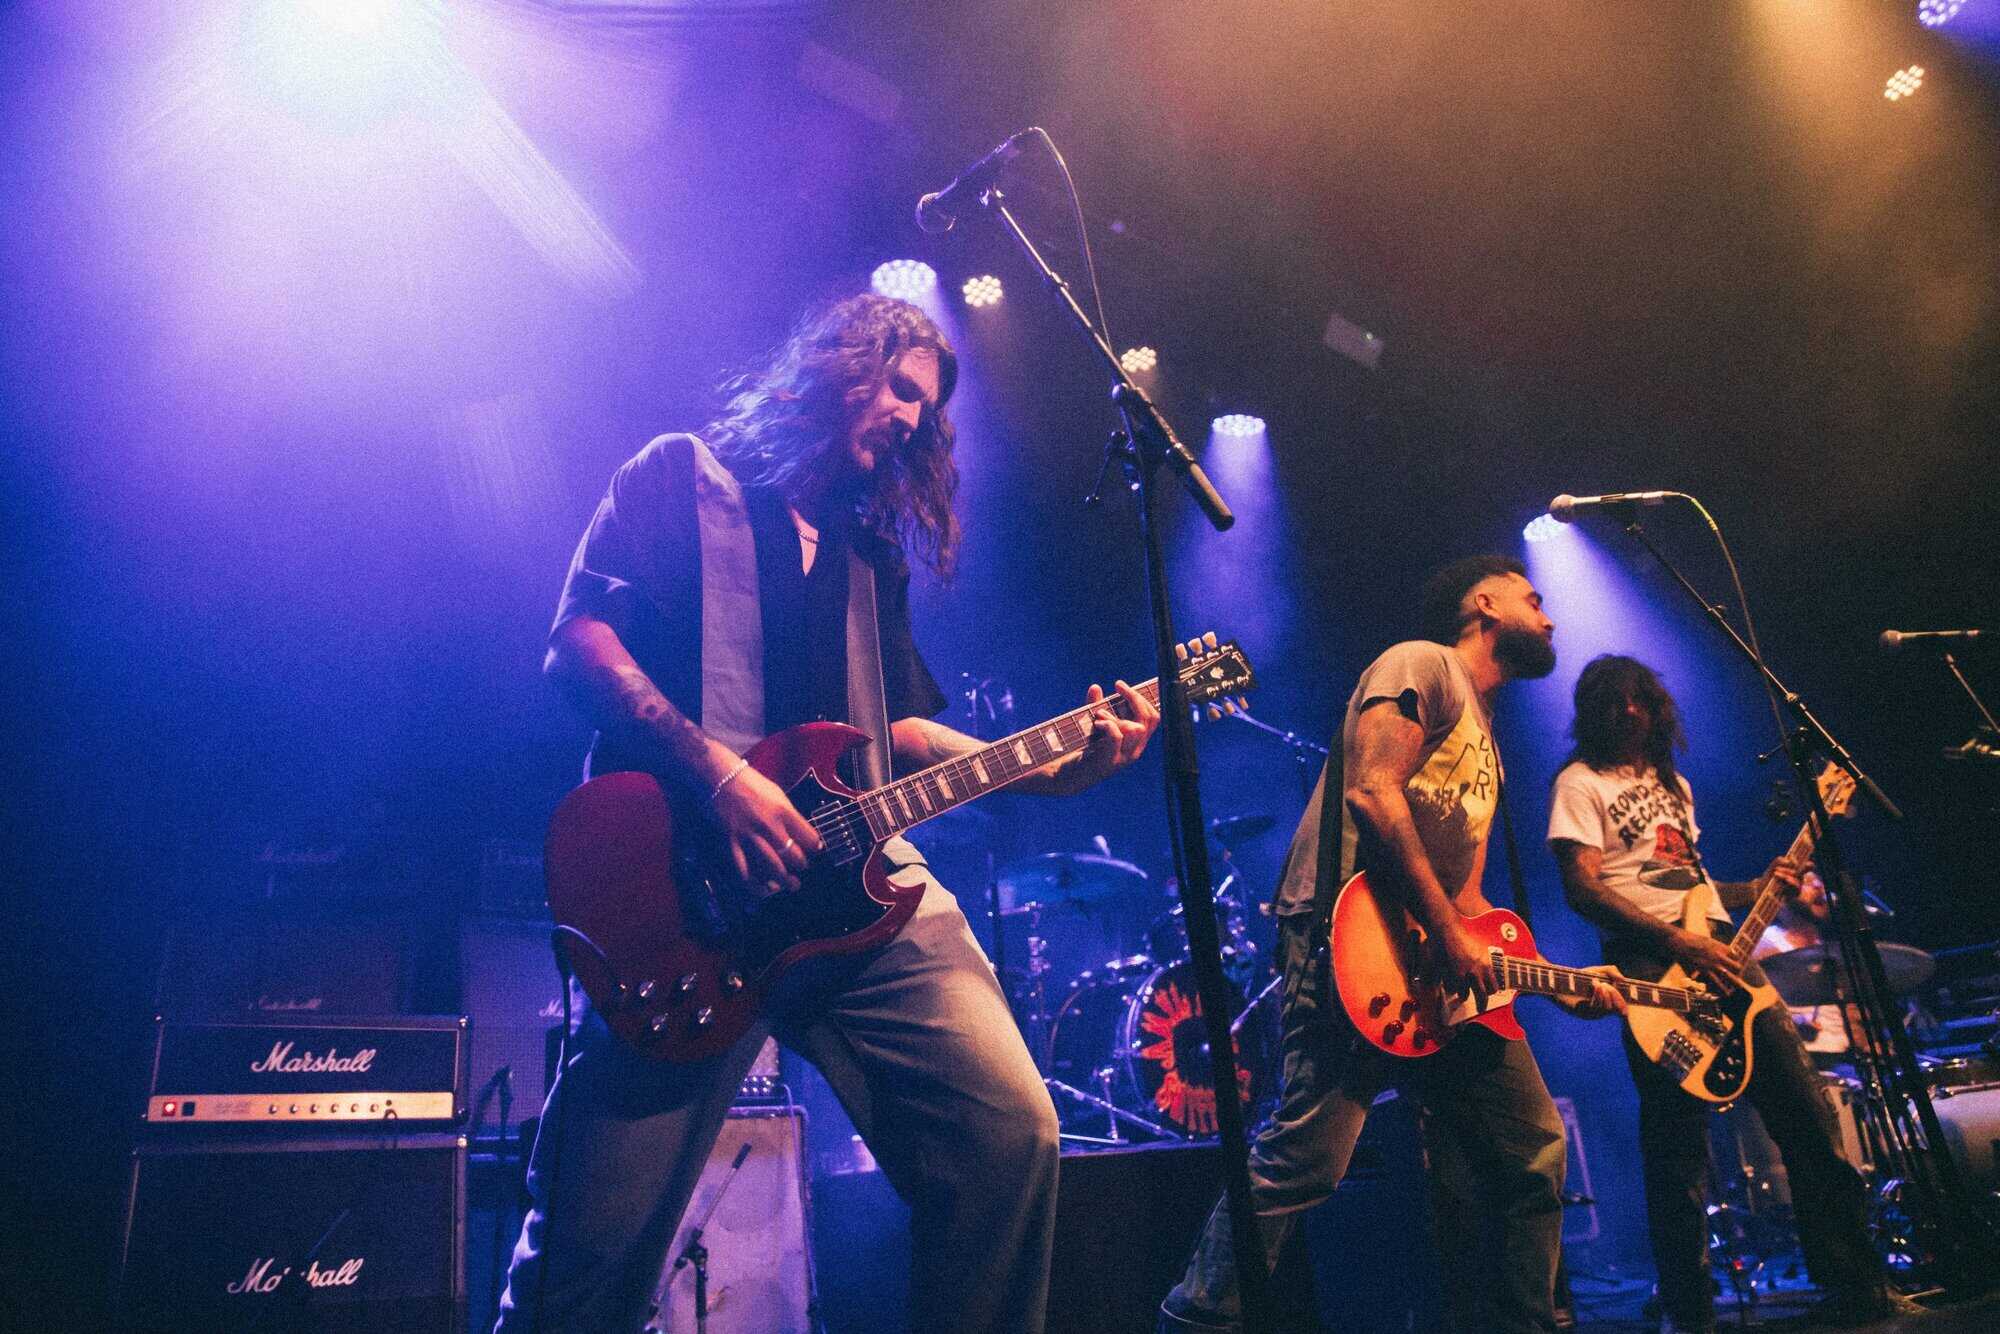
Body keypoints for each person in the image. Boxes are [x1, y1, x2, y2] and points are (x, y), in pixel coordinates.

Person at [495, 293, 1160, 1333]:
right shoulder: (679, 476)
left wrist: (1050, 768)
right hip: (687, 907)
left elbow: (896, 735)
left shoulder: (867, 554)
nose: (911, 418)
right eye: (898, 388)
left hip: (858, 895)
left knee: (1008, 1137)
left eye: (926, 407)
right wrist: (720, 778)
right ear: (837, 367)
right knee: (589, 1256)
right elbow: (577, 642)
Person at [1159, 554, 1625, 1334]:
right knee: (1306, 1161)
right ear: (1485, 603)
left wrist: (1555, 981)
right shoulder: (1422, 665)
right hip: (1351, 936)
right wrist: (1446, 932)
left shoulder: (1487, 741)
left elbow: (1468, 900)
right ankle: (1193, 1321)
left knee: (1532, 1152)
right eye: (1533, 599)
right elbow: (1372, 793)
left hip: (1434, 969)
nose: (1549, 616)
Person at [1547, 654, 1913, 1332]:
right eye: (1614, 701)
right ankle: (1690, 1314)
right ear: (1594, 713)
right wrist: (1678, 945)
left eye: (1639, 698)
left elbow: (1694, 888)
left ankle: (1857, 1290)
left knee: (1810, 1121)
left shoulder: (1675, 785)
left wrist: (1761, 886)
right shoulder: (1579, 782)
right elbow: (1582, 887)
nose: (1629, 710)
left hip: (1727, 963)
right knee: (1678, 1155)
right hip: (1652, 968)